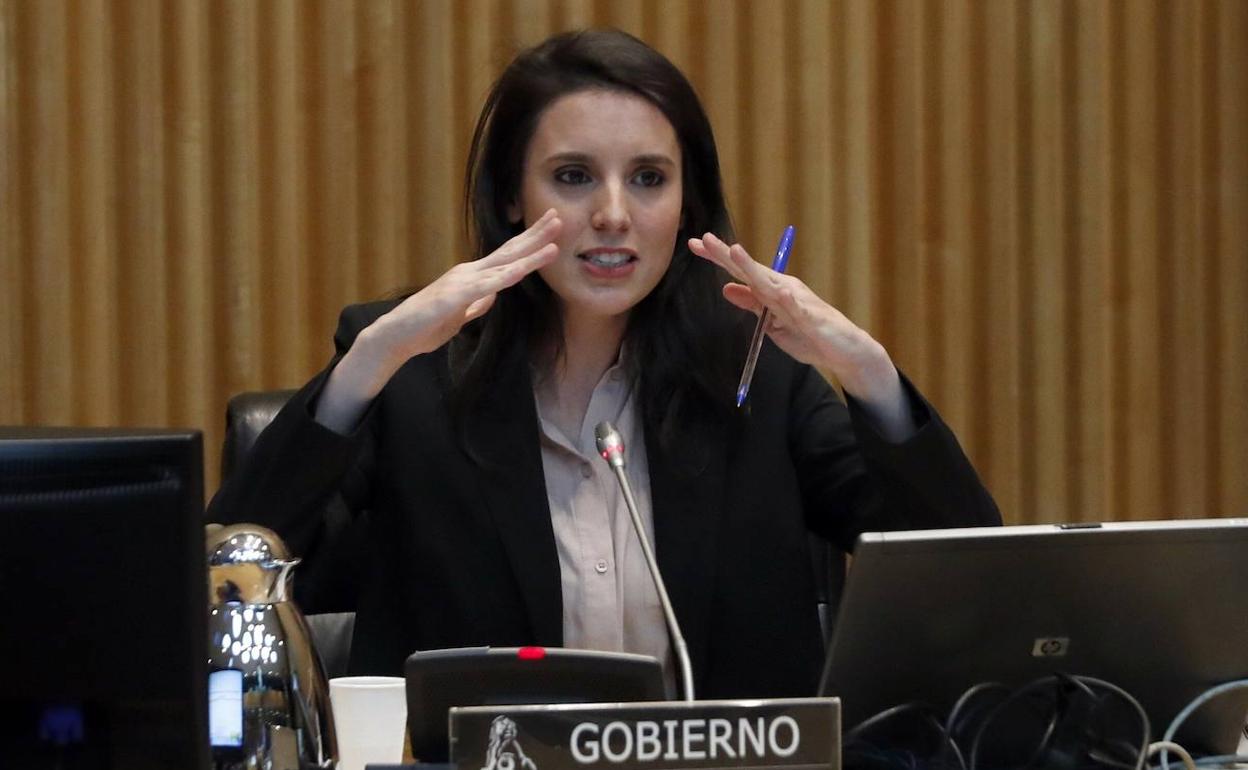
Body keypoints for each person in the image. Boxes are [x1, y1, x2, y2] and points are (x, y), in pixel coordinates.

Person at [208, 28, 1000, 699]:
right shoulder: (414, 373)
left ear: (687, 202)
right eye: (574, 176)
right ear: (512, 195)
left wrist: (870, 375)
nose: (614, 215)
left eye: (649, 179)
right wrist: (366, 367)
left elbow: (969, 583)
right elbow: (227, 579)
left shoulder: (755, 374)